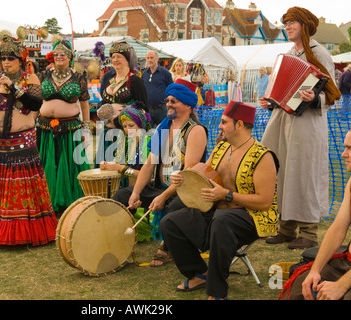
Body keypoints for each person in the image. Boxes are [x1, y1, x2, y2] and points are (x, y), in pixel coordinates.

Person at [163, 101, 279, 299]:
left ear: (239, 124)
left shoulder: (263, 156)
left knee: (222, 221)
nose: (219, 126)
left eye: (224, 122)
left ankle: (217, 291)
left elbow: (265, 202)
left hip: (251, 216)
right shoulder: (221, 149)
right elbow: (201, 176)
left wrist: (227, 195)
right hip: (218, 210)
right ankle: (200, 274)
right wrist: (182, 179)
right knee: (170, 222)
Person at [259, 7, 342, 249]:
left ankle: (308, 232)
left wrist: (314, 99)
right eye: (285, 23)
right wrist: (270, 101)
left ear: (305, 25)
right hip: (284, 123)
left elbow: (332, 94)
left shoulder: (319, 53)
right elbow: (282, 92)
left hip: (308, 125)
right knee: (284, 172)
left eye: (292, 22)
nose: (287, 27)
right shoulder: (288, 55)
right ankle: (285, 229)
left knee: (305, 174)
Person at [0, 35, 57, 246]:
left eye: (11, 58)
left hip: (21, 143)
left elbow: (35, 104)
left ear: (21, 61)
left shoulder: (30, 79)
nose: (6, 62)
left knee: (21, 191)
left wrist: (14, 88)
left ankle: (23, 233)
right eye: (3, 58)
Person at [113, 78, 208, 267]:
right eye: (167, 100)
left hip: (184, 190)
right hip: (161, 186)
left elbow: (187, 176)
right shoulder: (163, 128)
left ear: (188, 104)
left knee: (174, 206)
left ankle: (166, 246)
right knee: (121, 195)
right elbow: (149, 165)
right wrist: (136, 192)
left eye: (174, 101)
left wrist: (163, 197)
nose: (168, 105)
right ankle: (119, 241)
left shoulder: (195, 131)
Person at [279, 129, 351, 300]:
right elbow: (337, 229)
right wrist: (315, 270)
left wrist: (341, 286)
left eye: (349, 148)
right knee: (300, 288)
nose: (343, 154)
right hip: (346, 262)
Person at [36, 39, 91, 213]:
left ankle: (71, 203)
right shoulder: (44, 75)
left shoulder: (78, 77)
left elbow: (84, 104)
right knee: (48, 164)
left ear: (69, 57)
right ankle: (45, 203)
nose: (59, 57)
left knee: (69, 164)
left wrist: (86, 128)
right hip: (45, 128)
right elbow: (36, 100)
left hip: (70, 129)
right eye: (56, 54)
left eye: (62, 54)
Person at [100, 103, 151, 187]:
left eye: (131, 125)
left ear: (140, 125)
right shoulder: (128, 142)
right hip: (131, 188)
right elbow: (121, 168)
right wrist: (108, 165)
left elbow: (148, 177)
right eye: (124, 126)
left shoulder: (147, 142)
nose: (128, 129)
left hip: (146, 189)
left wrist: (121, 168)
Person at [142, 50, 173, 127]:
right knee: (148, 133)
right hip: (148, 109)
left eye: (152, 57)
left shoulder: (165, 73)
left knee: (164, 132)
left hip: (162, 109)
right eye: (148, 58)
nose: (149, 60)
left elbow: (171, 90)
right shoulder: (144, 74)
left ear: (157, 59)